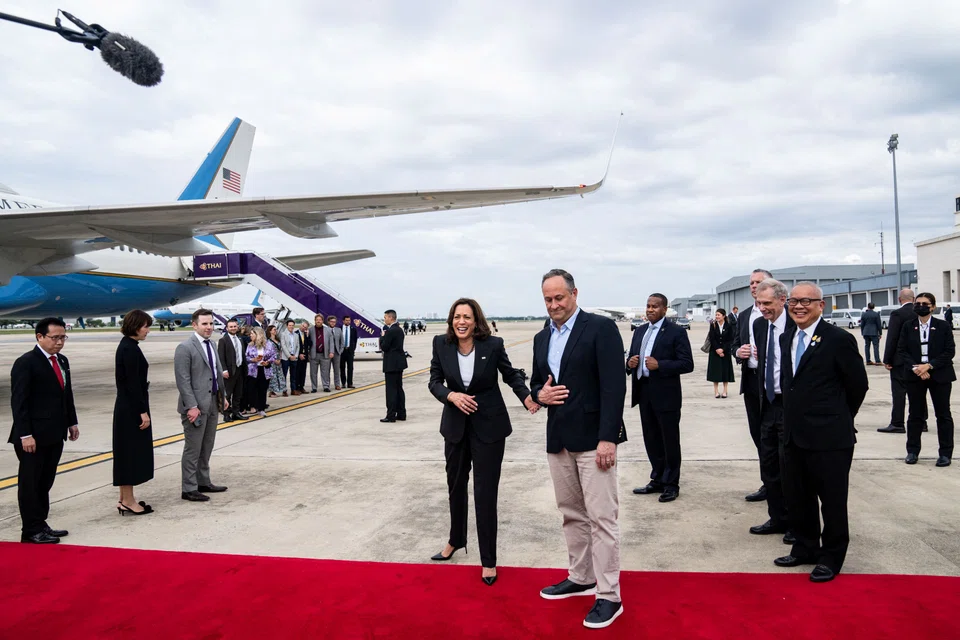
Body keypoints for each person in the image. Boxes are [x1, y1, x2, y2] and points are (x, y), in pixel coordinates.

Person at [532, 269, 626, 630]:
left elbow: (613, 386)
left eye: (559, 297)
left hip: (593, 440)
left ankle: (609, 595)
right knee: (571, 513)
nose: (554, 304)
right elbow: (539, 381)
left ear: (574, 294)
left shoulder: (600, 329)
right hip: (558, 438)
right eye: (548, 299)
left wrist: (609, 438)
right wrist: (539, 394)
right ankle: (581, 576)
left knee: (602, 518)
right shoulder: (543, 337)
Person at [427, 298, 538, 585]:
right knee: (455, 486)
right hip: (454, 427)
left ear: (476, 321)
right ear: (451, 320)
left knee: (485, 493)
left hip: (489, 427)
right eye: (456, 316)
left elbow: (510, 374)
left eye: (466, 316)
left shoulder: (493, 345)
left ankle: (488, 560)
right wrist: (450, 395)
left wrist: (526, 396)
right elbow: (434, 380)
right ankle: (455, 540)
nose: (461, 321)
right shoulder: (441, 344)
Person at [775, 282, 868, 583]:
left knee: (832, 500)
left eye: (806, 301)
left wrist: (838, 417)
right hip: (794, 435)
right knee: (799, 497)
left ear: (820, 305)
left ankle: (831, 556)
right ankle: (805, 547)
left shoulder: (838, 339)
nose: (798, 306)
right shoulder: (787, 336)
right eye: (793, 301)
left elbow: (858, 385)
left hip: (830, 437)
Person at [8, 317, 80, 543]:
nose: (59, 342)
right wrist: (25, 435)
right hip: (33, 436)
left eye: (63, 337)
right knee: (31, 483)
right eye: (55, 338)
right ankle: (30, 530)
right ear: (39, 337)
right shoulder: (26, 362)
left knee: (45, 482)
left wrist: (72, 422)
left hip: (54, 433)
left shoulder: (62, 361)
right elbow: (19, 402)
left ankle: (41, 523)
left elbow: (66, 394)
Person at [739, 280, 794, 542]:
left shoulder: (797, 325)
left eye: (767, 304)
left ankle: (797, 523)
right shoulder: (760, 325)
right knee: (769, 462)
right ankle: (778, 517)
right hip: (767, 405)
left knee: (791, 467)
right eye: (759, 303)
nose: (762, 309)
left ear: (783, 300)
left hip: (791, 406)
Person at [628, 294, 694, 503]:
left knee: (669, 441)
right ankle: (657, 478)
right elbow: (631, 358)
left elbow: (687, 363)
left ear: (665, 309)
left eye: (655, 306)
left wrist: (661, 365)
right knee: (652, 439)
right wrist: (629, 364)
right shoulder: (639, 331)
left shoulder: (676, 332)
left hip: (666, 395)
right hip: (644, 392)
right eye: (648, 306)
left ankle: (671, 484)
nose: (650, 310)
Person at [174, 309, 228, 503]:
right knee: (193, 448)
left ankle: (203, 481)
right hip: (195, 406)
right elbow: (183, 380)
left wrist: (223, 397)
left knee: (207, 446)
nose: (209, 327)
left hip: (213, 402)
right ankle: (188, 488)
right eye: (204, 324)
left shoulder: (212, 344)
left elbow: (216, 372)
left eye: (211, 324)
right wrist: (191, 406)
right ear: (194, 325)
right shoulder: (185, 347)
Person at [899, 292, 955, 467]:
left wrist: (929, 366)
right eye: (918, 303)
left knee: (943, 415)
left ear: (933, 307)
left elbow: (949, 352)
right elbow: (902, 351)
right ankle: (912, 451)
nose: (920, 306)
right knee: (915, 415)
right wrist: (917, 368)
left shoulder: (943, 326)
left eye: (925, 303)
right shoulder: (908, 326)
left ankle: (945, 454)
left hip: (939, 375)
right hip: (915, 375)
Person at [732, 269, 773, 502]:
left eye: (759, 281)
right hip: (751, 381)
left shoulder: (783, 313)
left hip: (775, 384)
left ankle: (781, 483)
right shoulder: (745, 315)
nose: (754, 285)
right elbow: (735, 344)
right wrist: (738, 351)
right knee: (758, 435)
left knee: (776, 435)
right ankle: (767, 483)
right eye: (751, 282)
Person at [112, 310, 156, 516]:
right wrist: (142, 411)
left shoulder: (128, 346)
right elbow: (132, 384)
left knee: (126, 452)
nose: (148, 330)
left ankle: (124, 498)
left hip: (127, 406)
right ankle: (129, 500)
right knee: (130, 453)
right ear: (136, 326)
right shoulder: (129, 349)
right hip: (131, 408)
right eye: (146, 326)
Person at [879, 289, 926, 434]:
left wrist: (887, 359)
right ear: (913, 299)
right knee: (919, 391)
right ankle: (922, 422)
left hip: (900, 361)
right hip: (919, 360)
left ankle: (897, 423)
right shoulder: (920, 313)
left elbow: (892, 337)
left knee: (899, 392)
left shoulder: (897, 314)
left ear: (900, 299)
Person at [217, 319, 248, 422]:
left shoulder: (240, 339)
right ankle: (226, 414)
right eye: (231, 327)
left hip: (239, 369)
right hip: (229, 371)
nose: (233, 328)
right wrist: (224, 370)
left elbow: (242, 355)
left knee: (238, 393)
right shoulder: (223, 340)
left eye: (235, 326)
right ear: (227, 328)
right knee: (227, 394)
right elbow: (220, 357)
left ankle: (236, 412)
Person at [380, 310, 407, 422]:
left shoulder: (390, 331)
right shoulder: (399, 330)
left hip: (391, 364)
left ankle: (390, 415)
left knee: (391, 390)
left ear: (391, 318)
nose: (384, 319)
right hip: (399, 363)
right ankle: (401, 413)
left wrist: (382, 337)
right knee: (399, 389)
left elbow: (384, 347)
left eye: (385, 317)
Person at [245, 327, 277, 417]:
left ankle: (261, 408)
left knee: (262, 390)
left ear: (258, 335)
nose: (250, 335)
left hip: (264, 369)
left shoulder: (268, 345)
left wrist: (267, 362)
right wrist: (253, 359)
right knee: (252, 389)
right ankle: (253, 406)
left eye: (252, 334)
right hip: (253, 370)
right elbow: (246, 357)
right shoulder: (250, 345)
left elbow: (274, 356)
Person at [706, 309, 736, 399]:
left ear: (723, 316)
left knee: (725, 371)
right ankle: (716, 391)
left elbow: (730, 339)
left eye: (718, 315)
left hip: (725, 352)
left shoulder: (729, 326)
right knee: (715, 372)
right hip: (714, 352)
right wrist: (717, 349)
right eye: (716, 315)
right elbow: (712, 338)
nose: (717, 316)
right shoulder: (713, 325)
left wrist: (723, 349)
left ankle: (725, 391)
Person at [321, 315, 343, 391]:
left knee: (337, 370)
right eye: (331, 321)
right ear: (328, 322)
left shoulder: (339, 330)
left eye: (334, 322)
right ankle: (326, 385)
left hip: (336, 353)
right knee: (327, 370)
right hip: (327, 353)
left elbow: (341, 342)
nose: (333, 323)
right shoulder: (325, 330)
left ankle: (337, 384)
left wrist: (340, 351)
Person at [280, 319, 301, 396]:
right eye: (290, 325)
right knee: (284, 374)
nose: (291, 327)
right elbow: (283, 346)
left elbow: (298, 346)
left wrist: (295, 355)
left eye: (292, 325)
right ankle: (284, 390)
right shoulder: (283, 334)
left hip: (294, 357)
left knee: (293, 375)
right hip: (286, 357)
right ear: (287, 326)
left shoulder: (296, 335)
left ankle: (293, 389)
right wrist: (289, 356)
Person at [307, 314, 325, 393]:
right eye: (317, 319)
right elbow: (307, 342)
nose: (318, 321)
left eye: (320, 319)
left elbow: (331, 342)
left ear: (322, 321)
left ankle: (326, 386)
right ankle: (314, 387)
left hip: (324, 354)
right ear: (315, 321)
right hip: (314, 354)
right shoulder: (310, 330)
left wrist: (331, 351)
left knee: (325, 372)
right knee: (313, 373)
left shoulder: (327, 330)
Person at [266, 325, 285, 397]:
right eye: (274, 330)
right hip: (272, 360)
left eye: (276, 330)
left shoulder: (277, 340)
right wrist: (274, 360)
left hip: (278, 359)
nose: (275, 331)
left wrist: (279, 358)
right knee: (273, 376)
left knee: (279, 375)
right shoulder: (268, 341)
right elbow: (268, 352)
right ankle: (272, 391)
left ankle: (280, 389)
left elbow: (280, 350)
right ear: (270, 331)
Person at [340, 315, 358, 388]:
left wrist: (353, 349)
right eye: (346, 320)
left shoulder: (353, 329)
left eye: (349, 320)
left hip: (350, 351)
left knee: (350, 367)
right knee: (342, 367)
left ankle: (350, 383)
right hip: (342, 351)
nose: (348, 322)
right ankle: (343, 383)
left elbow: (355, 340)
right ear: (343, 321)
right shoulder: (340, 329)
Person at [296, 321, 312, 394]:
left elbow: (310, 344)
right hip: (298, 355)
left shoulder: (306, 334)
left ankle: (302, 386)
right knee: (297, 372)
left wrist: (308, 336)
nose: (304, 328)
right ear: (300, 325)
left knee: (303, 372)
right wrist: (299, 354)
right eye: (303, 326)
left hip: (305, 356)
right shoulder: (295, 333)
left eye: (305, 327)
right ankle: (297, 387)